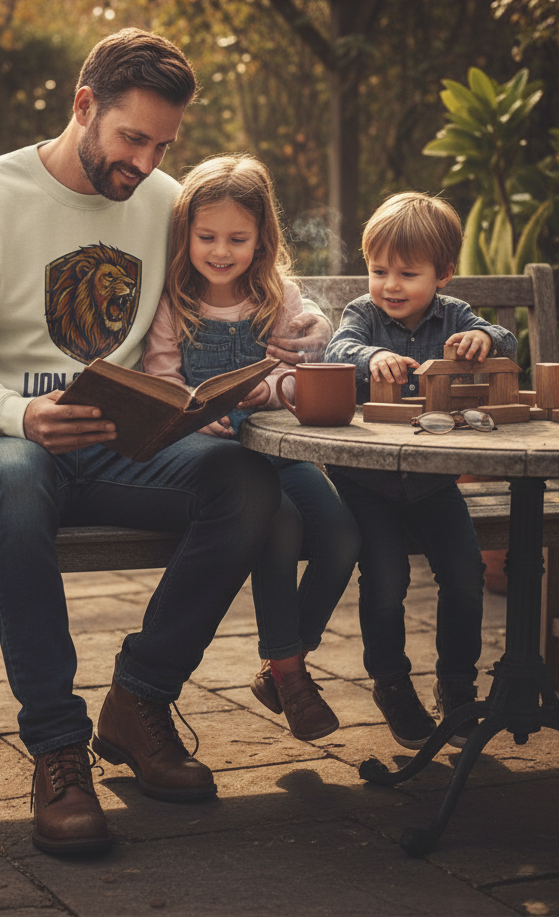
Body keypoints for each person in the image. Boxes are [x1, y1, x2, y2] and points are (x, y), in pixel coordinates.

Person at [0, 29, 331, 857]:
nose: (143, 161)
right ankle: (59, 750)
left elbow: (242, 283)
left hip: (113, 443)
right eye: (132, 138)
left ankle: (138, 701)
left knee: (246, 482)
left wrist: (287, 343)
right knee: (21, 479)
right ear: (83, 105)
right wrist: (19, 414)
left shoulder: (165, 201)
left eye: (162, 144)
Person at [142, 155, 360, 742]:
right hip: (219, 462)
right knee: (279, 526)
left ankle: (281, 660)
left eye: (237, 238)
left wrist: (281, 381)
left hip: (280, 451)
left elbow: (305, 369)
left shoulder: (278, 296)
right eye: (206, 236)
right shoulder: (174, 302)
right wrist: (190, 411)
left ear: (262, 238)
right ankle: (290, 674)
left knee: (341, 533)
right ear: (185, 232)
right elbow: (162, 381)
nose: (220, 251)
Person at [323, 192, 517, 752]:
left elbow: (503, 343)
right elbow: (338, 348)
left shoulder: (454, 316)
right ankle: (391, 682)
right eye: (378, 270)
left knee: (464, 574)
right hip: (367, 485)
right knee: (386, 580)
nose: (390, 285)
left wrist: (486, 338)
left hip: (435, 483)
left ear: (444, 275)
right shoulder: (362, 315)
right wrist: (367, 358)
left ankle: (457, 685)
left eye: (408, 273)